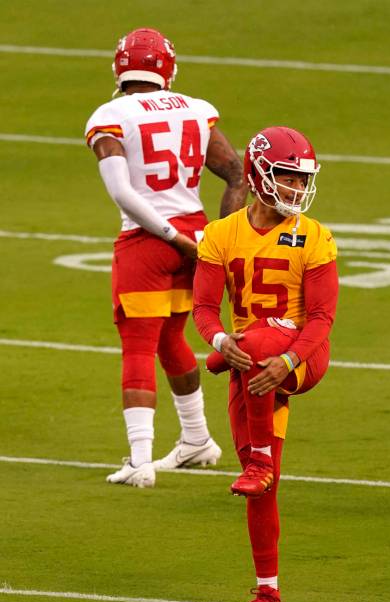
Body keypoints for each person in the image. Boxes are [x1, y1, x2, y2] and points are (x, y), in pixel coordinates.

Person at [85, 28, 247, 488]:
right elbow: (236, 172)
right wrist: (218, 237)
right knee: (170, 337)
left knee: (138, 343)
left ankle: (139, 458)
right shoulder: (196, 108)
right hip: (196, 231)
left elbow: (122, 190)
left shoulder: (111, 115)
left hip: (150, 239)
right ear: (167, 69)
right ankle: (197, 439)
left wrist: (172, 237)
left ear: (120, 67)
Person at [193, 126, 339, 602]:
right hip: (256, 367)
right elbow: (205, 309)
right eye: (287, 178)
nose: (297, 190)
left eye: (301, 180)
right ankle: (267, 593)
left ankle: (255, 456)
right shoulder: (220, 234)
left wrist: (289, 360)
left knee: (255, 341)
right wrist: (219, 343)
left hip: (302, 356)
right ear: (258, 176)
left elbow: (321, 318)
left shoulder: (314, 236)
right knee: (266, 488)